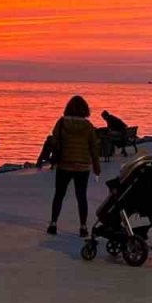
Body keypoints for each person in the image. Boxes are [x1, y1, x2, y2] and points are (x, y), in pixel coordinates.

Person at [46, 95, 101, 236]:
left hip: (65, 163)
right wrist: (96, 166)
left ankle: (53, 224)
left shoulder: (62, 122)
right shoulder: (88, 126)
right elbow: (93, 147)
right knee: (81, 196)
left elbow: (54, 140)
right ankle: (83, 227)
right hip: (82, 165)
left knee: (59, 194)